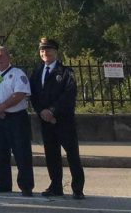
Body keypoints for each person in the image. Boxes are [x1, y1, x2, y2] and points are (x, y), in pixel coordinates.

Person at [30, 37, 85, 200]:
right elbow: (33, 95)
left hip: (63, 121)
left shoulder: (66, 72)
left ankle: (77, 188)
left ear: (56, 52)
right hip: (46, 121)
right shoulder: (37, 72)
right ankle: (56, 186)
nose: (45, 53)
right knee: (52, 155)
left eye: (48, 49)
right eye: (42, 50)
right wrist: (41, 112)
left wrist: (52, 111)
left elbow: (68, 96)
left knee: (72, 155)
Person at [0, 45, 34, 196]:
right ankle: (3, 183)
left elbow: (20, 94)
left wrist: (2, 107)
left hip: (16, 117)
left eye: (1, 56)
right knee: (0, 152)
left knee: (21, 151)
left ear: (8, 57)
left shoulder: (17, 74)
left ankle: (26, 185)